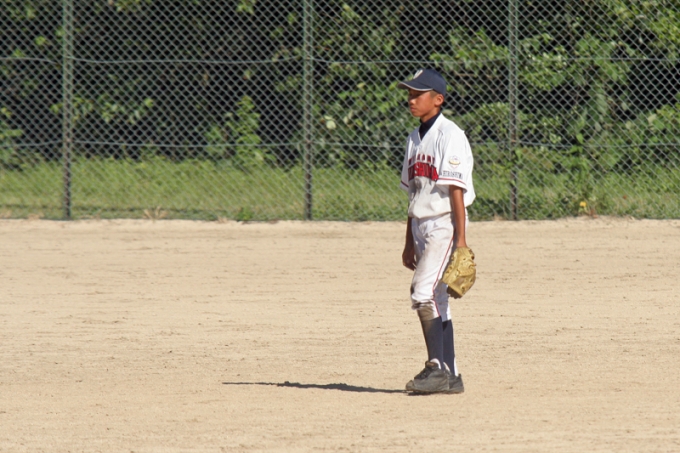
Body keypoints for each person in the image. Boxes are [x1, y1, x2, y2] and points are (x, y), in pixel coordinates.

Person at [397, 69, 476, 394]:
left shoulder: (450, 135)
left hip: (444, 223)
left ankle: (435, 369)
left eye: (418, 94)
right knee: (438, 299)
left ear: (438, 99)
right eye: (410, 94)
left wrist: (461, 241)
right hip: (420, 224)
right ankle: (451, 376)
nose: (411, 99)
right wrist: (408, 242)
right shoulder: (414, 139)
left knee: (422, 293)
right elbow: (414, 193)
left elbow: (456, 190)